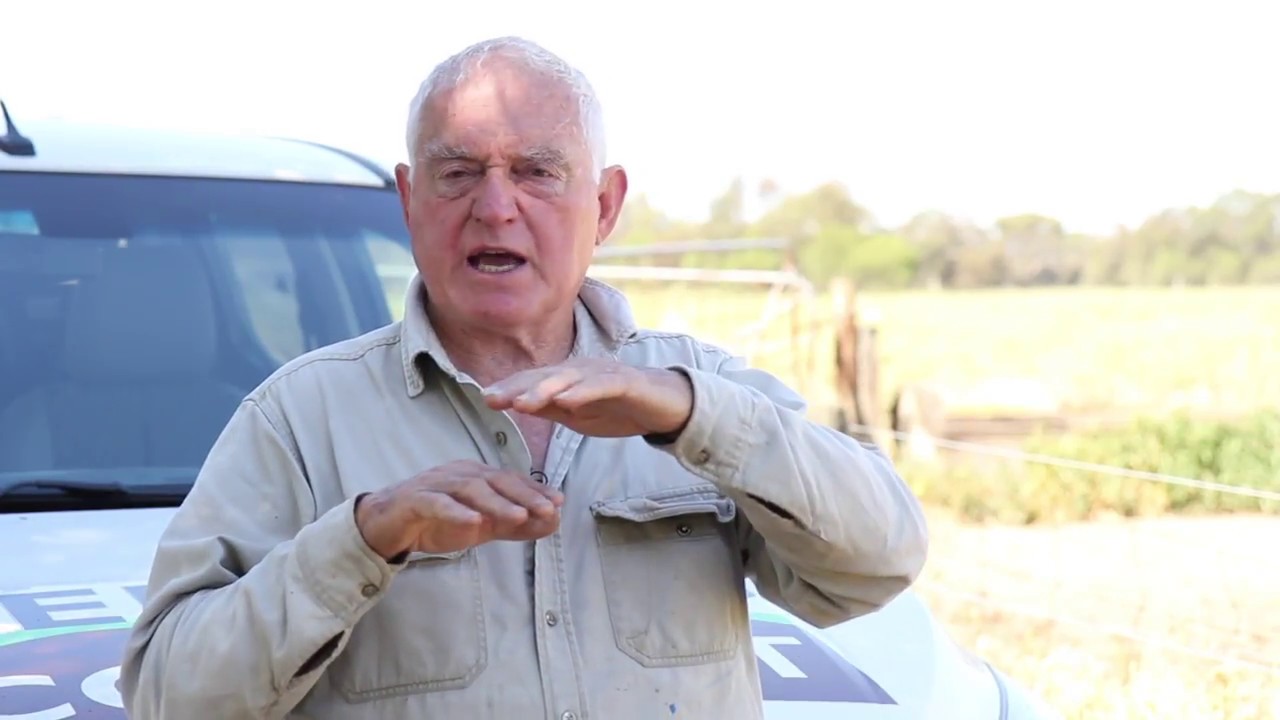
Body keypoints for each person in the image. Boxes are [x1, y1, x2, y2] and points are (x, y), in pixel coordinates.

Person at [119, 35, 929, 720]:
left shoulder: (699, 390)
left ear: (605, 206)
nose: (495, 207)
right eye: (458, 172)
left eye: (537, 171)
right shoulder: (299, 419)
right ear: (409, 198)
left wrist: (692, 417)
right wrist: (366, 536)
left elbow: (882, 561)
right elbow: (165, 695)